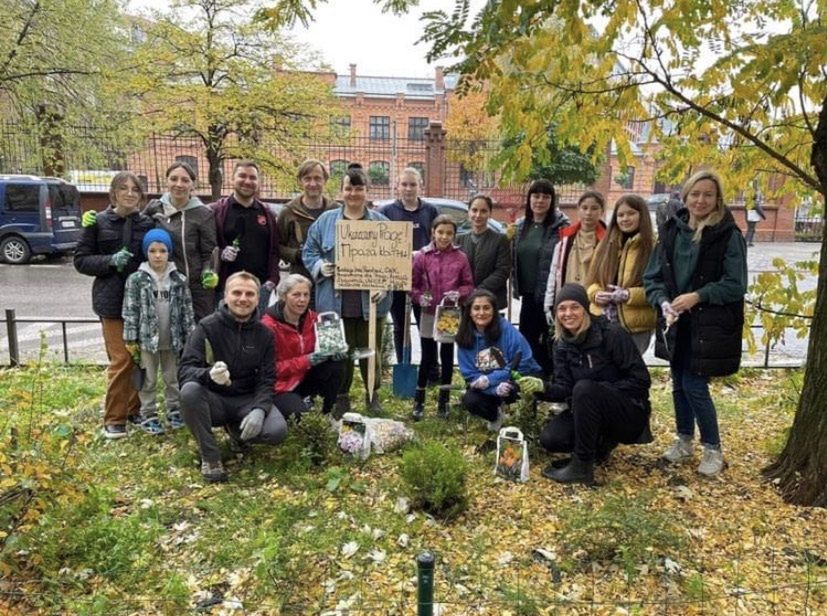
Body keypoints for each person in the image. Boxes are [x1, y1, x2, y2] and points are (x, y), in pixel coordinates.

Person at [643, 170, 747, 477]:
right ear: (685, 197)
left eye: (708, 194)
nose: (700, 200)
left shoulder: (728, 234)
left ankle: (713, 448)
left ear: (718, 199)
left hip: (709, 325)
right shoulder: (672, 231)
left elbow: (735, 284)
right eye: (695, 194)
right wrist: (662, 301)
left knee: (695, 386)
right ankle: (684, 440)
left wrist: (698, 296)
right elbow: (652, 277)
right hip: (676, 323)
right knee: (678, 384)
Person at [519, 283, 652, 485]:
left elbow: (641, 381)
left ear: (585, 309)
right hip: (589, 410)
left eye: (574, 307)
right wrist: (542, 387)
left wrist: (600, 392)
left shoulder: (612, 334)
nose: (568, 313)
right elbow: (564, 388)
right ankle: (599, 447)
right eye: (562, 309)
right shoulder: (562, 344)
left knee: (585, 388)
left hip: (628, 412)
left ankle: (582, 466)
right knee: (552, 439)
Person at [178, 272, 288, 483]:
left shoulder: (264, 333)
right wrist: (209, 375)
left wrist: (259, 409)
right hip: (214, 399)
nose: (243, 299)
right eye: (237, 292)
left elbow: (267, 378)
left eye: (250, 294)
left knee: (277, 431)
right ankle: (210, 456)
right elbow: (184, 371)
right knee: (189, 391)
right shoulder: (207, 327)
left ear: (258, 298)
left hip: (246, 399)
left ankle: (238, 433)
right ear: (226, 296)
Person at [302, 164, 392, 415]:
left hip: (371, 304)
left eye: (359, 188)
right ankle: (340, 396)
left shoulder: (381, 224)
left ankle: (372, 395)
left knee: (370, 351)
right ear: (341, 191)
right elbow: (309, 251)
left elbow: (394, 260)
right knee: (339, 353)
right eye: (349, 188)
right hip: (334, 301)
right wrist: (320, 266)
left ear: (366, 191)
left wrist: (384, 284)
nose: (353, 193)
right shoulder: (326, 221)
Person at [74, 172, 155, 439]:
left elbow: (158, 253)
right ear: (114, 193)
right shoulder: (97, 222)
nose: (130, 193)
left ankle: (133, 410)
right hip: (110, 300)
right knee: (120, 359)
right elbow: (81, 260)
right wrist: (109, 261)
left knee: (137, 358)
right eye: (124, 188)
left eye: (135, 189)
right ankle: (114, 418)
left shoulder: (147, 223)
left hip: (140, 301)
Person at [122, 229, 196, 434]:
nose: (157, 255)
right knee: (149, 379)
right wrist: (130, 338)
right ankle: (148, 414)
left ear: (169, 252)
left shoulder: (178, 279)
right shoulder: (136, 279)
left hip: (172, 339)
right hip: (147, 340)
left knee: (172, 378)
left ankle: (174, 410)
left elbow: (187, 310)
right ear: (146, 252)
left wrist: (191, 337)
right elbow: (130, 310)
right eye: (152, 250)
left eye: (162, 250)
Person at [410, 216, 475, 420]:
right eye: (441, 232)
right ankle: (419, 400)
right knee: (427, 356)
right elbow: (411, 285)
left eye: (449, 233)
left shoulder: (460, 257)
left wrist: (460, 294)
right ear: (433, 233)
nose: (444, 237)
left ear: (454, 235)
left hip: (449, 314)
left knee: (447, 355)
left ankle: (443, 400)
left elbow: (468, 284)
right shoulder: (422, 256)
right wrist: (420, 297)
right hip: (429, 312)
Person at [456, 289, 543, 432]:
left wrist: (492, 379)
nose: (481, 313)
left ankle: (527, 421)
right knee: (470, 399)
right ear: (469, 312)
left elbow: (524, 360)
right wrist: (494, 389)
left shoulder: (506, 330)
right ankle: (495, 416)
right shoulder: (464, 338)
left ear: (494, 310)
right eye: (476, 308)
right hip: (490, 386)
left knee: (518, 388)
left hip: (518, 376)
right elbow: (470, 375)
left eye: (486, 308)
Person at [378, 168, 440, 366]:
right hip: (396, 279)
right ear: (397, 186)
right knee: (399, 326)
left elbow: (440, 240)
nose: (408, 188)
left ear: (420, 186)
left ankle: (430, 369)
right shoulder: (387, 212)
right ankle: (403, 364)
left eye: (413, 184)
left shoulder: (430, 211)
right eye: (404, 184)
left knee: (426, 324)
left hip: (424, 281)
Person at [261, 274, 345, 418]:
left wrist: (336, 350)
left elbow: (324, 348)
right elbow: (268, 370)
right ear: (283, 296)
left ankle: (326, 413)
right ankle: (297, 408)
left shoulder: (314, 318)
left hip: (304, 377)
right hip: (280, 386)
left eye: (306, 295)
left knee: (335, 365)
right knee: (301, 421)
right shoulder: (268, 325)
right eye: (296, 295)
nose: (302, 300)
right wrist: (306, 361)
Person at [143, 162, 217, 322]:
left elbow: (209, 251)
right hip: (162, 285)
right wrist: (105, 215)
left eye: (185, 180)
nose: (179, 184)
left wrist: (208, 272)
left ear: (192, 185)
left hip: (195, 288)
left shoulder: (203, 213)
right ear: (167, 181)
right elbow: (134, 223)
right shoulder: (154, 208)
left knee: (198, 336)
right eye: (174, 179)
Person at [511, 179, 569, 374]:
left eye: (546, 196)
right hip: (528, 294)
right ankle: (532, 380)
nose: (540, 200)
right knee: (527, 338)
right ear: (529, 199)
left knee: (551, 340)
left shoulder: (561, 226)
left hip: (550, 295)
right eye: (536, 196)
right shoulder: (520, 226)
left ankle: (552, 379)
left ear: (552, 200)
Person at [586, 194, 656, 355]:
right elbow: (591, 281)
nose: (625, 219)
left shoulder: (652, 247)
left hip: (635, 326)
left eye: (631, 213)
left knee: (628, 375)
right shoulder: (605, 244)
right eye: (620, 215)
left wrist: (628, 295)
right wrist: (596, 294)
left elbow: (658, 290)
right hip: (602, 322)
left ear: (642, 215)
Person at [210, 160, 280, 313]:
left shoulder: (268, 214)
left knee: (255, 332)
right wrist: (221, 253)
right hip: (225, 289)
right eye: (242, 176)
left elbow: (274, 250)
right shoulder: (216, 212)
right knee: (225, 333)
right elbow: (206, 248)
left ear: (258, 182)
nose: (247, 181)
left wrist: (272, 280)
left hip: (259, 289)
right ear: (232, 179)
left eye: (253, 178)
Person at [277, 160, 340, 301]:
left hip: (330, 281)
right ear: (300, 181)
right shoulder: (289, 212)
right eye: (307, 179)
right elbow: (277, 245)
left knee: (327, 320)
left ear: (325, 180)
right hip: (300, 281)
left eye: (317, 178)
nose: (313, 184)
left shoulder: (335, 210)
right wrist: (296, 255)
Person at [544, 190, 607, 320]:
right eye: (584, 208)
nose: (588, 213)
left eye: (594, 208)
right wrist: (549, 303)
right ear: (578, 209)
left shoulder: (607, 242)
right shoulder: (566, 239)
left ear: (602, 211)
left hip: (595, 304)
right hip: (568, 302)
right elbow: (554, 272)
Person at [457, 194, 511, 311]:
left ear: (490, 213)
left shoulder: (500, 239)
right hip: (464, 302)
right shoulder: (459, 240)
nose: (478, 215)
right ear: (469, 212)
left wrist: (477, 292)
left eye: (483, 211)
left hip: (491, 300)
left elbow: (502, 271)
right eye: (474, 210)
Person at [744, 181, 766, 247]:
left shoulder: (748, 203)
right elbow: (759, 209)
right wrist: (764, 216)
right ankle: (747, 242)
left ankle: (747, 242)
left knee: (750, 229)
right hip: (752, 218)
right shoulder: (754, 203)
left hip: (748, 217)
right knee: (751, 229)